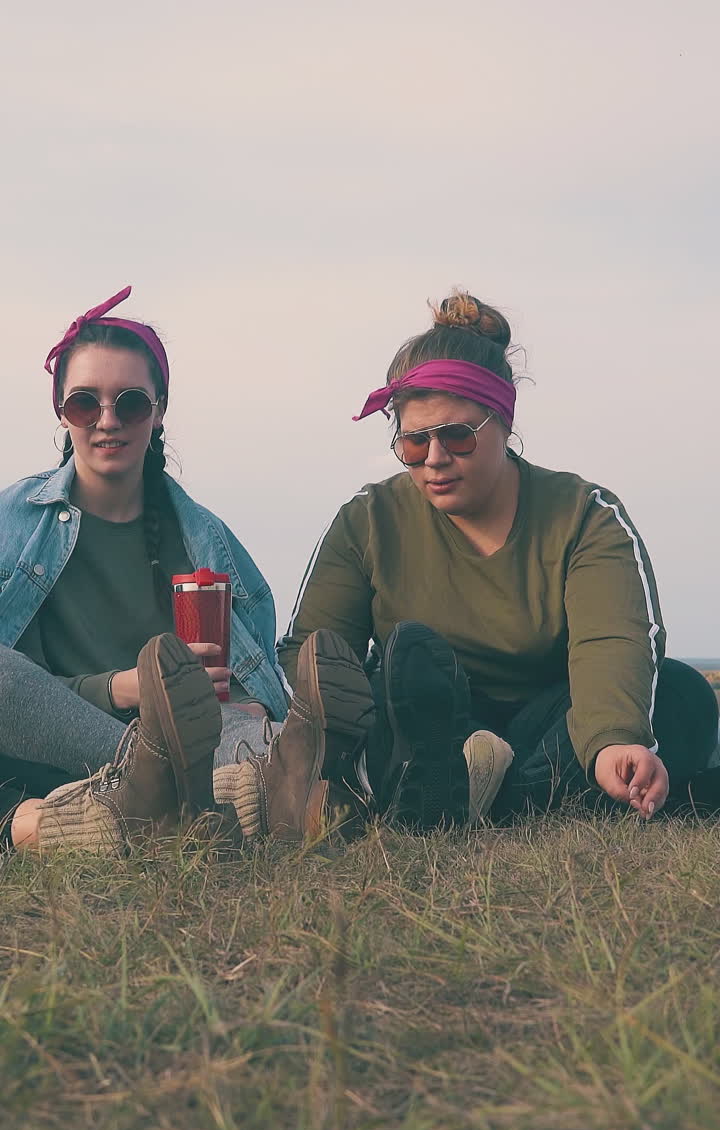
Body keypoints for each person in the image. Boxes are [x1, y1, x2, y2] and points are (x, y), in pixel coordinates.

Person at [278, 290, 719, 828]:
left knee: (681, 696)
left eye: (458, 436)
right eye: (414, 442)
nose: (435, 458)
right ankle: (475, 787)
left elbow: (614, 640)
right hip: (425, 722)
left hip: (549, 722)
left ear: (503, 423)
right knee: (403, 666)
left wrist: (612, 743)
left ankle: (452, 796)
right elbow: (315, 655)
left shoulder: (583, 515)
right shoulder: (368, 519)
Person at [1, 287, 374, 853]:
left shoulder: (206, 537)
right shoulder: (14, 521)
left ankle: (256, 778)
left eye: (130, 403)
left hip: (199, 737)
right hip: (56, 744)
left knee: (245, 727)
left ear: (159, 409)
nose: (107, 421)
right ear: (60, 411)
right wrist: (124, 689)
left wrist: (246, 700)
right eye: (85, 403)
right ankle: (249, 783)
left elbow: (254, 675)